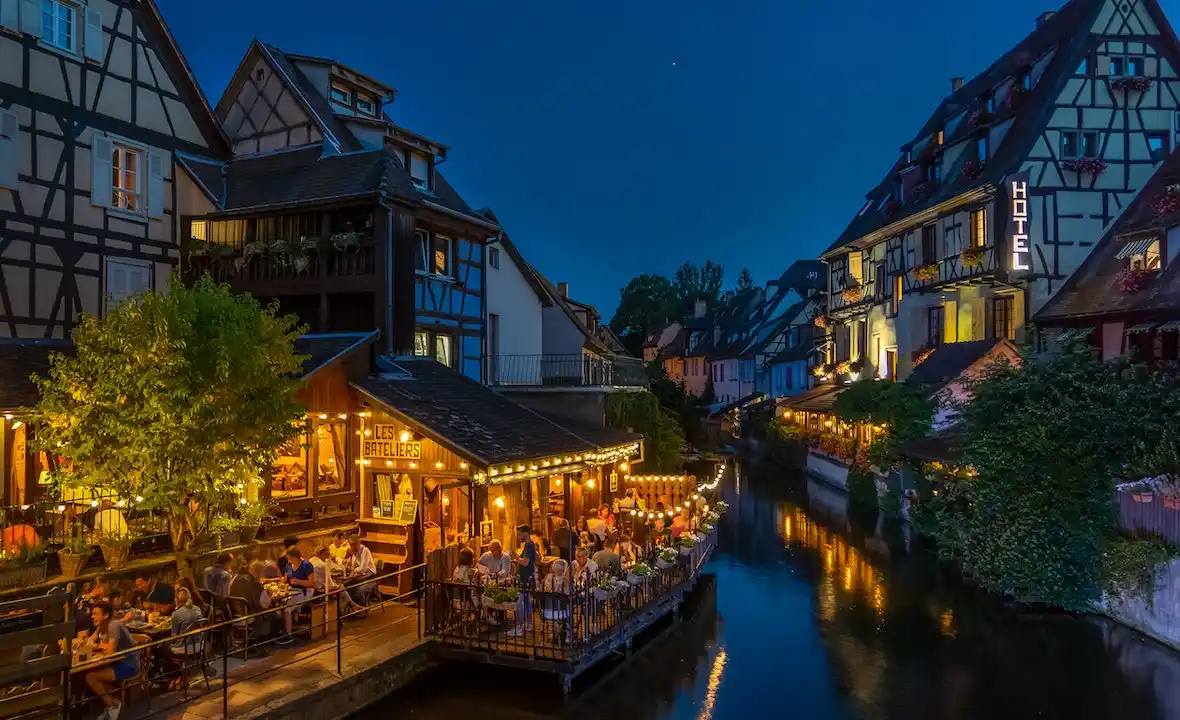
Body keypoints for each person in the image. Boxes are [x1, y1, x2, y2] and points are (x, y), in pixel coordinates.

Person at [83, 602, 139, 720]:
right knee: (84, 674)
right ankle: (102, 705)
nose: (92, 616)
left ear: (106, 615)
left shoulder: (113, 626)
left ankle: (113, 705)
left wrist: (99, 646)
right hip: (115, 662)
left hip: (128, 664)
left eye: (96, 614)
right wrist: (101, 645)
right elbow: (88, 642)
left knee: (91, 677)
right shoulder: (100, 627)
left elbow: (110, 651)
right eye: (92, 614)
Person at [276, 548, 316, 644]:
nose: (289, 561)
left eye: (290, 558)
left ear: (295, 557)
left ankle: (288, 635)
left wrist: (298, 581)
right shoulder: (289, 565)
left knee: (287, 608)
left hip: (304, 591)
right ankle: (282, 629)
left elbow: (311, 583)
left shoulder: (306, 565)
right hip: (291, 590)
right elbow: (285, 579)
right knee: (278, 606)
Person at [507, 525, 537, 637]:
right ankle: (528, 624)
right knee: (527, 603)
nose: (519, 536)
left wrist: (514, 557)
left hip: (526, 579)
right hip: (527, 578)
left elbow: (525, 562)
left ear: (526, 533)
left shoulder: (529, 546)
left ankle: (519, 627)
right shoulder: (529, 546)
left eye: (520, 534)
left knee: (521, 604)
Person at [344, 536, 377, 606]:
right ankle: (352, 607)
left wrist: (354, 570)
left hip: (370, 578)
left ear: (358, 543)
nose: (352, 546)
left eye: (354, 544)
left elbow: (363, 569)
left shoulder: (365, 551)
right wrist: (347, 559)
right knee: (344, 586)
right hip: (359, 577)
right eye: (351, 544)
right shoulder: (353, 551)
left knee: (358, 591)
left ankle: (362, 607)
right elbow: (353, 565)